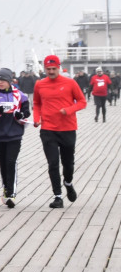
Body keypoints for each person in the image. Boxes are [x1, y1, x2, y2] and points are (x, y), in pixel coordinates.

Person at [32, 54, 86, 208]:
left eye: (53, 69)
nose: (50, 71)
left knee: (68, 163)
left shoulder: (70, 83)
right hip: (48, 129)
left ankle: (68, 182)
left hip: (68, 128)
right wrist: (37, 118)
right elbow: (36, 103)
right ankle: (58, 196)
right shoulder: (39, 84)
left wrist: (69, 110)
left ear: (59, 68)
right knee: (53, 163)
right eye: (48, 69)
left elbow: (82, 102)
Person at [0, 68, 30, 207]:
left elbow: (26, 110)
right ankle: (6, 187)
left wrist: (22, 115)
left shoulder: (19, 95)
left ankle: (11, 193)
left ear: (9, 81)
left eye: (3, 80)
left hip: (14, 134)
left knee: (10, 161)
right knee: (3, 163)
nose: (0, 83)